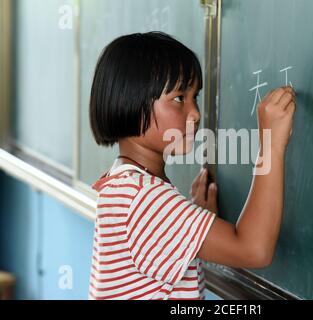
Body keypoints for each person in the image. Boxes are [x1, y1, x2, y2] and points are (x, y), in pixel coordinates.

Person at [88, 32, 296, 300]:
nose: (196, 113)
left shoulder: (125, 185)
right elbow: (254, 249)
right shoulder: (145, 199)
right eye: (179, 98)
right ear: (131, 101)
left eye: (194, 96)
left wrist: (191, 221)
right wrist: (271, 145)